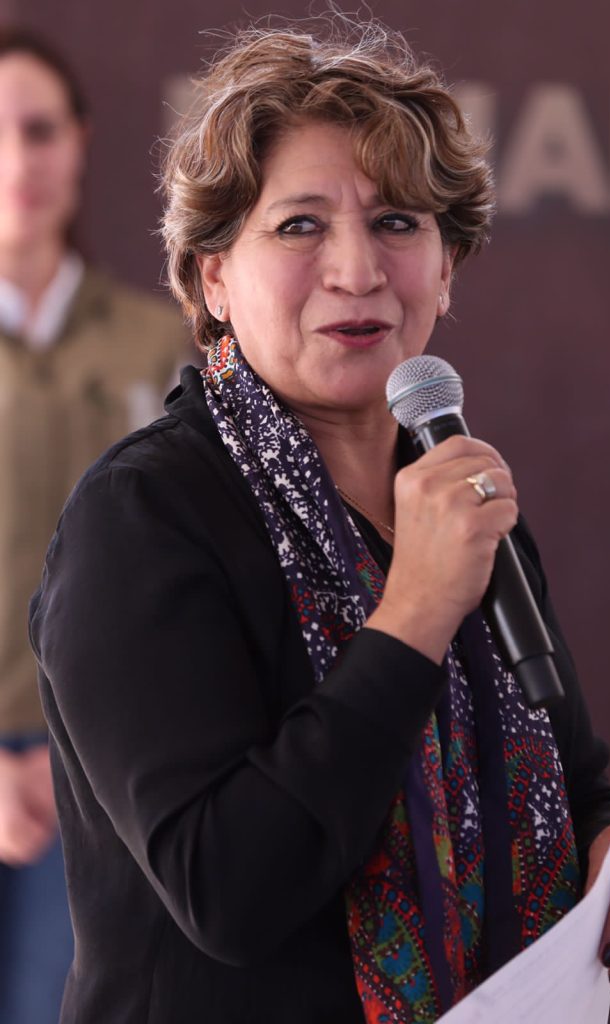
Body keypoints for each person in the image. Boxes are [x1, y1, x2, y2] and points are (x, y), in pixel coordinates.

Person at [29, 17, 610, 1024]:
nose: (357, 269)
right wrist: (412, 613)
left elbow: (574, 773)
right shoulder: (143, 515)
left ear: (447, 266)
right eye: (300, 225)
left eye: (398, 223)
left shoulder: (462, 497)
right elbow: (227, 890)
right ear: (212, 276)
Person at [0, 27, 187, 1024]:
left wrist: (71, 755)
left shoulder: (164, 345)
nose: (16, 163)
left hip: (114, 768)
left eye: (38, 131)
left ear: (79, 141)